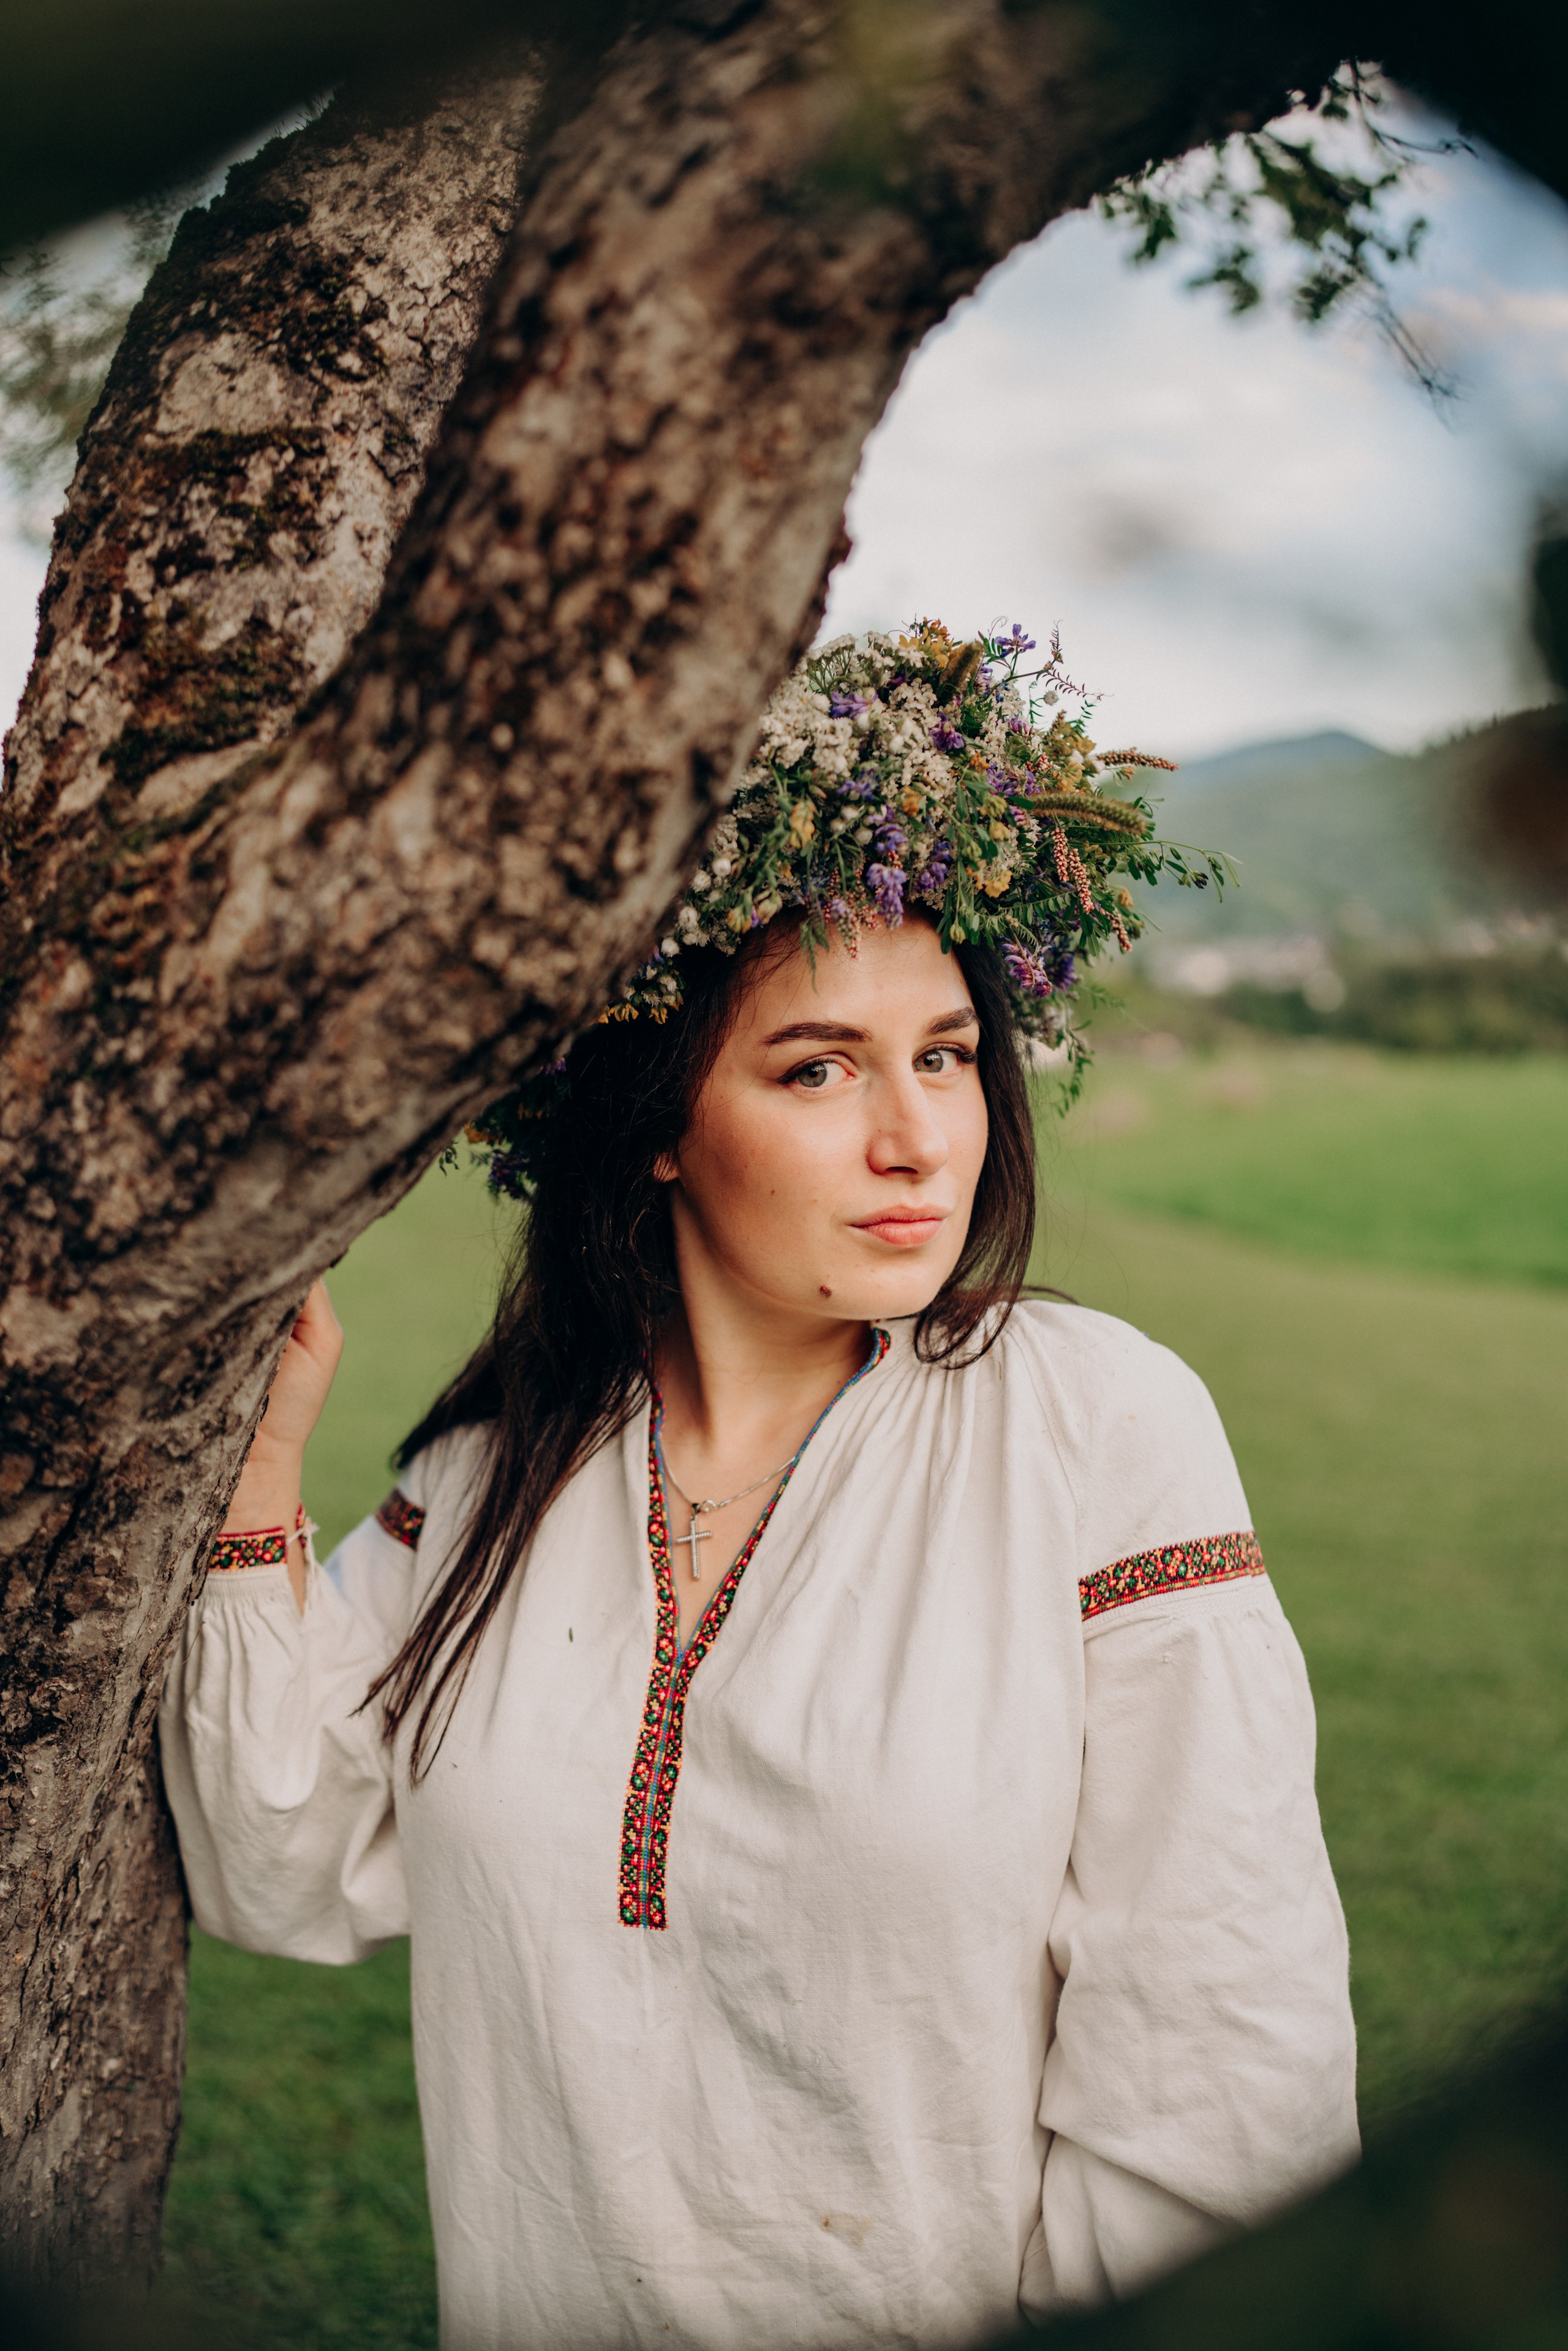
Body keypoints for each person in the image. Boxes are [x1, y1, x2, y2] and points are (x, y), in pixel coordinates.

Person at [161, 624, 1357, 2349]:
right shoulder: (495, 1473)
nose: (919, 1137)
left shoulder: (1099, 1429)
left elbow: (1218, 2060)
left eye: (945, 1054)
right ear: (656, 1120)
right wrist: (259, 1467)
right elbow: (279, 1860)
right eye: (819, 1068)